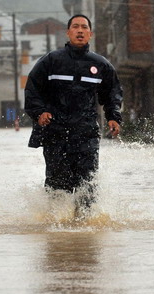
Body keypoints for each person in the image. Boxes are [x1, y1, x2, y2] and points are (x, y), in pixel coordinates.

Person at [24, 14, 123, 210]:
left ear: (90, 34)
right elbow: (33, 88)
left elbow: (112, 93)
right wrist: (39, 112)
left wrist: (113, 116)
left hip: (86, 133)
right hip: (55, 133)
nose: (80, 30)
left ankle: (85, 227)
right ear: (68, 32)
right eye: (75, 27)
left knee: (87, 185)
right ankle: (57, 227)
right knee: (57, 186)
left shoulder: (101, 65)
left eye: (84, 27)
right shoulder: (51, 61)